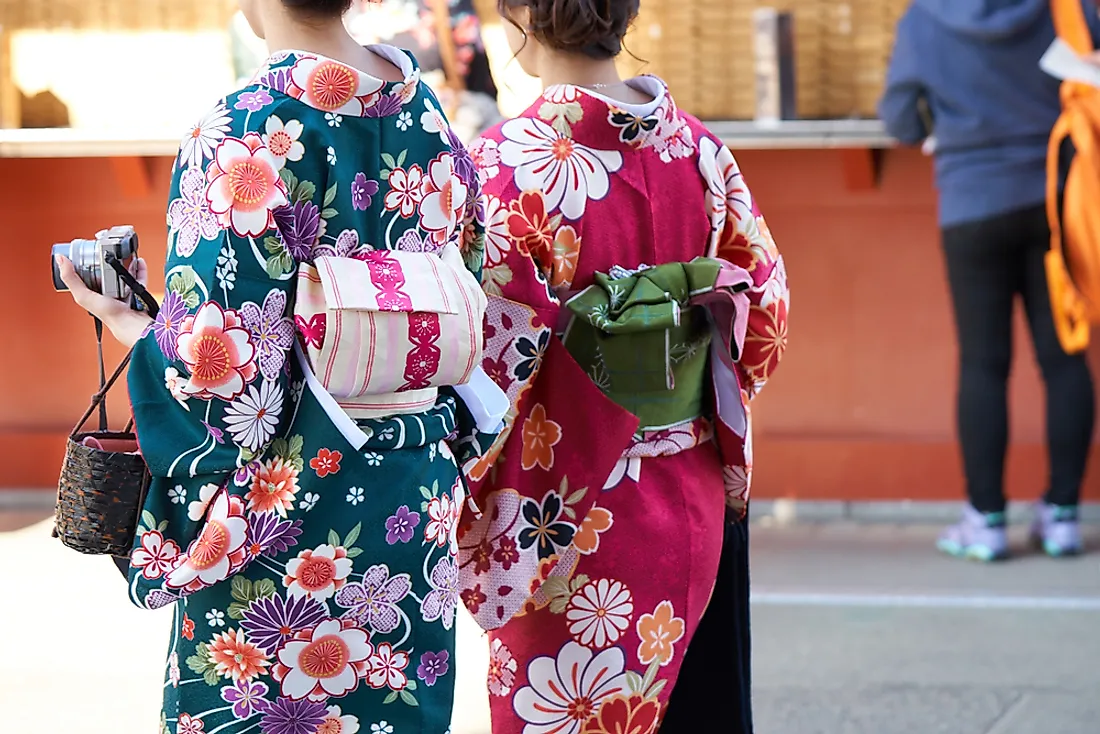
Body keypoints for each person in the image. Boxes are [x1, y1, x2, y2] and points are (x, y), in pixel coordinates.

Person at [55, 0, 496, 731]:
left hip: (289, 504)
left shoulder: (245, 130)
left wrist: (127, 318)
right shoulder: (431, 122)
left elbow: (215, 371)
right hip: (412, 492)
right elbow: (478, 292)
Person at [449, 1, 788, 731]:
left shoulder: (504, 167)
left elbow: (479, 367)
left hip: (567, 509)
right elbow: (763, 315)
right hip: (692, 490)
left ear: (521, 14)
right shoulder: (699, 151)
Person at [880, 0, 1098, 561]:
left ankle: (987, 520)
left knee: (983, 363)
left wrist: (940, 128)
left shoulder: (925, 18)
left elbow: (900, 117)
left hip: (972, 205)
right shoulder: (1063, 8)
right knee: (1065, 358)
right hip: (1057, 201)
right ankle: (1064, 517)